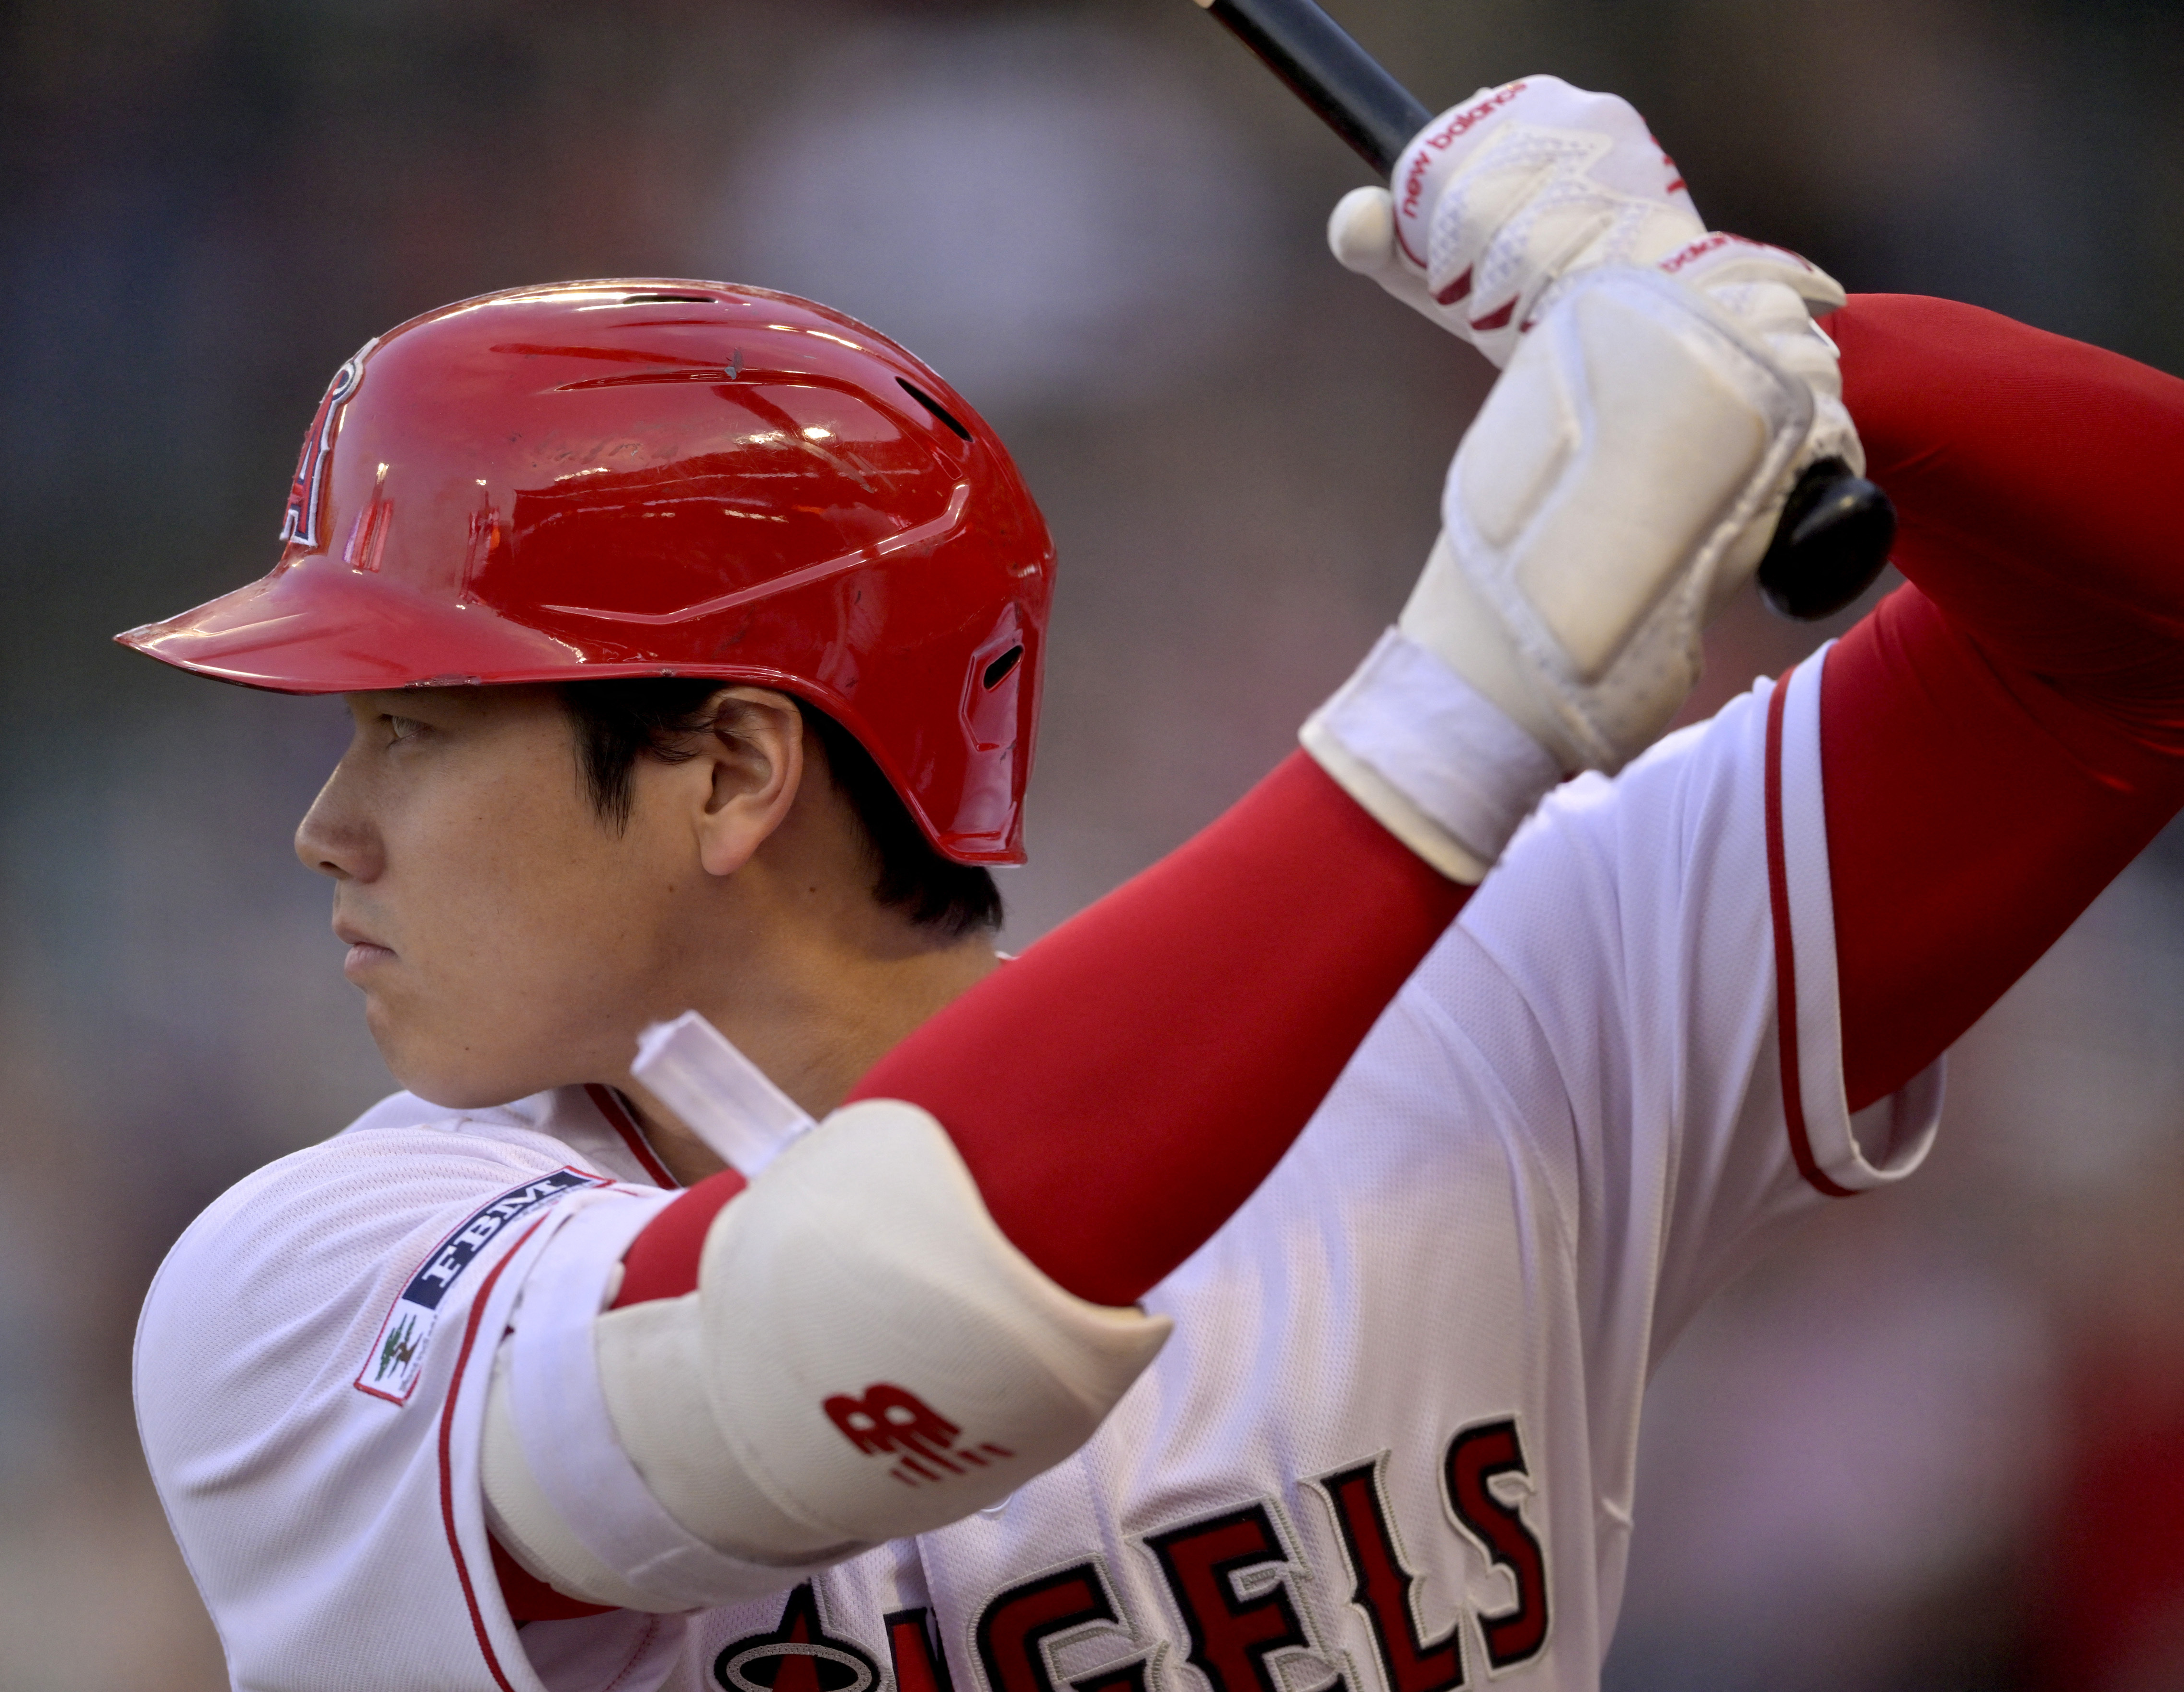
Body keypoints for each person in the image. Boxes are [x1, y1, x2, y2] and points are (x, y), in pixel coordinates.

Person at [125, 76, 2184, 1692]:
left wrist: (1775, 343)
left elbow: (2136, 631)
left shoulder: (1501, 995)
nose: (331, 821)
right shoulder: (310, 1282)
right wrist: (1463, 711)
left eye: (409, 723)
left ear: (734, 768)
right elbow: (878, 1333)